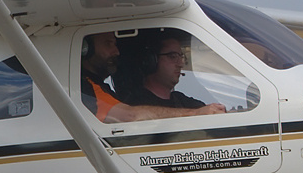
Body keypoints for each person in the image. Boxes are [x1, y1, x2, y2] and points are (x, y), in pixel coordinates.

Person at [79, 33, 224, 123]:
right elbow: (129, 116)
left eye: (181, 57)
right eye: (108, 43)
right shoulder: (84, 87)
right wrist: (195, 114)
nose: (116, 52)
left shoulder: (182, 101)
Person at [115, 30, 227, 112]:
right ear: (151, 60)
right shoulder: (134, 105)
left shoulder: (181, 100)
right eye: (172, 56)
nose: (180, 64)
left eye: (181, 56)